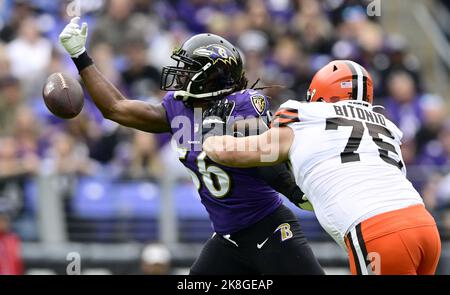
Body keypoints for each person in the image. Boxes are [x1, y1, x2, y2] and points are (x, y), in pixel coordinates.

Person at [59, 17, 323, 274]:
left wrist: (295, 190)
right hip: (227, 238)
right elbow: (116, 108)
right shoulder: (178, 106)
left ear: (212, 76)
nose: (181, 74)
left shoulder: (242, 104)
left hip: (269, 229)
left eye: (189, 69)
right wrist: (81, 56)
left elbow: (269, 155)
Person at [203, 60, 441, 275]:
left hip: (379, 231)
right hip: (423, 225)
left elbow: (231, 154)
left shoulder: (305, 117)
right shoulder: (386, 126)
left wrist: (211, 131)